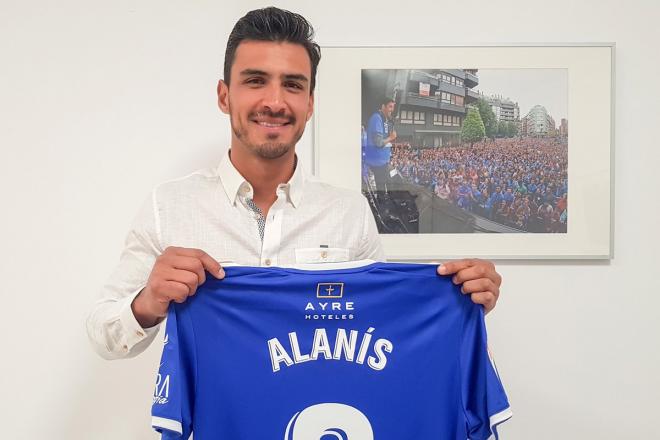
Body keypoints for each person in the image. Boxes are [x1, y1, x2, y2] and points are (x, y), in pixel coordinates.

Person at [86, 7, 503, 360]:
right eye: (255, 80)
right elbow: (103, 336)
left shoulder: (349, 212)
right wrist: (149, 302)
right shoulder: (170, 205)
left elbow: (378, 330)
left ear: (310, 103)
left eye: (292, 84)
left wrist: (455, 305)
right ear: (224, 96)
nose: (275, 101)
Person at [364, 98, 397, 197]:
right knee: (382, 190)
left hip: (383, 161)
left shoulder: (385, 120)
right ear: (383, 107)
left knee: (392, 180)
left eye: (393, 107)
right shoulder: (376, 118)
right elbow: (378, 142)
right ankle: (383, 207)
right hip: (377, 163)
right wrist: (391, 137)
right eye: (390, 107)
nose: (392, 110)